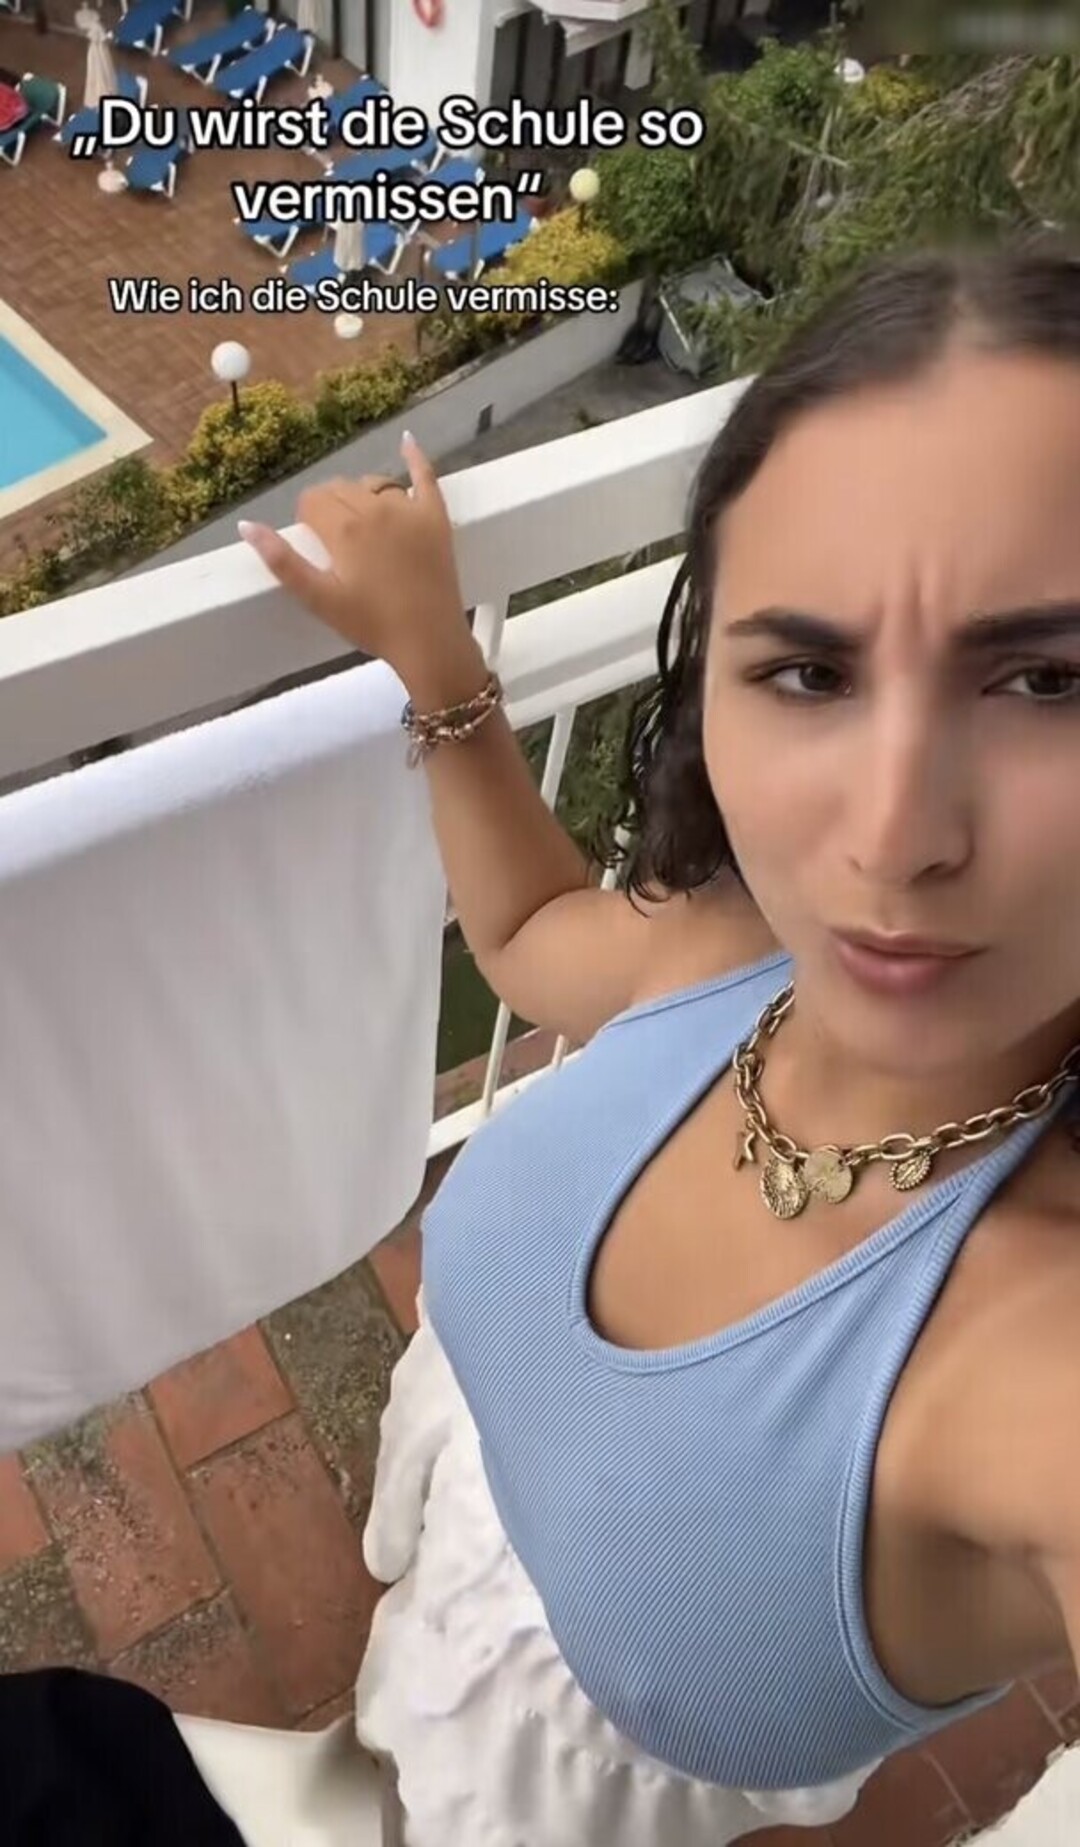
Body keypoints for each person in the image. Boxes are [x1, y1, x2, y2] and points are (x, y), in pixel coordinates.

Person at [239, 235, 1080, 1845]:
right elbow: (532, 934)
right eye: (810, 670)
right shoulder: (731, 947)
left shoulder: (1044, 1373)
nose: (892, 839)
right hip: (456, 1566)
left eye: (1048, 679)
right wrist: (435, 655)